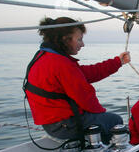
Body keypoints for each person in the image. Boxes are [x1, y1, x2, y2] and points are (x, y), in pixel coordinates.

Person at [24, 17, 131, 145]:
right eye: (79, 39)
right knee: (114, 120)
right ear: (65, 39)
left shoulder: (44, 56)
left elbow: (85, 73)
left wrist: (117, 62)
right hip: (64, 125)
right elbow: (87, 99)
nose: (82, 44)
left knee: (103, 118)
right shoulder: (61, 64)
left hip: (52, 124)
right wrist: (102, 117)